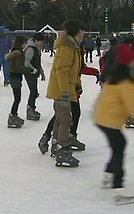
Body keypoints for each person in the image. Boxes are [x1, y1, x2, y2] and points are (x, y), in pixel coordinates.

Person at [94, 42, 134, 204]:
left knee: (117, 146)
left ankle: (108, 173)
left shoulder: (112, 77)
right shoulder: (125, 83)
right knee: (120, 146)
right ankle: (118, 187)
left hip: (101, 118)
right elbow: (133, 106)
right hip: (110, 120)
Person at [46, 19, 84, 168]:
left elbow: (73, 71)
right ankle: (62, 149)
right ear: (75, 32)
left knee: (60, 119)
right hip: (62, 90)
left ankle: (56, 144)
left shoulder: (73, 47)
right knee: (65, 119)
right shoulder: (68, 48)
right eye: (82, 33)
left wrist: (77, 85)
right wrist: (64, 92)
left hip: (66, 88)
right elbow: (61, 71)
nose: (83, 36)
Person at [6, 36, 38, 128]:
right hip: (15, 77)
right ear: (21, 43)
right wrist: (30, 70)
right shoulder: (18, 53)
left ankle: (14, 115)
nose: (25, 45)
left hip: (14, 76)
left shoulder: (15, 52)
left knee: (17, 98)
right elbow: (19, 66)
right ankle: (12, 116)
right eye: (24, 43)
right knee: (17, 98)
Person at [24, 33, 46, 121]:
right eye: (40, 41)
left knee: (34, 92)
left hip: (34, 73)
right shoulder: (30, 48)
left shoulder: (37, 48)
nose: (41, 43)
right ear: (36, 40)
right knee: (33, 92)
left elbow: (38, 62)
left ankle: (31, 108)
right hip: (29, 73)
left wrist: (41, 72)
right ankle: (30, 109)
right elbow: (26, 62)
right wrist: (33, 69)